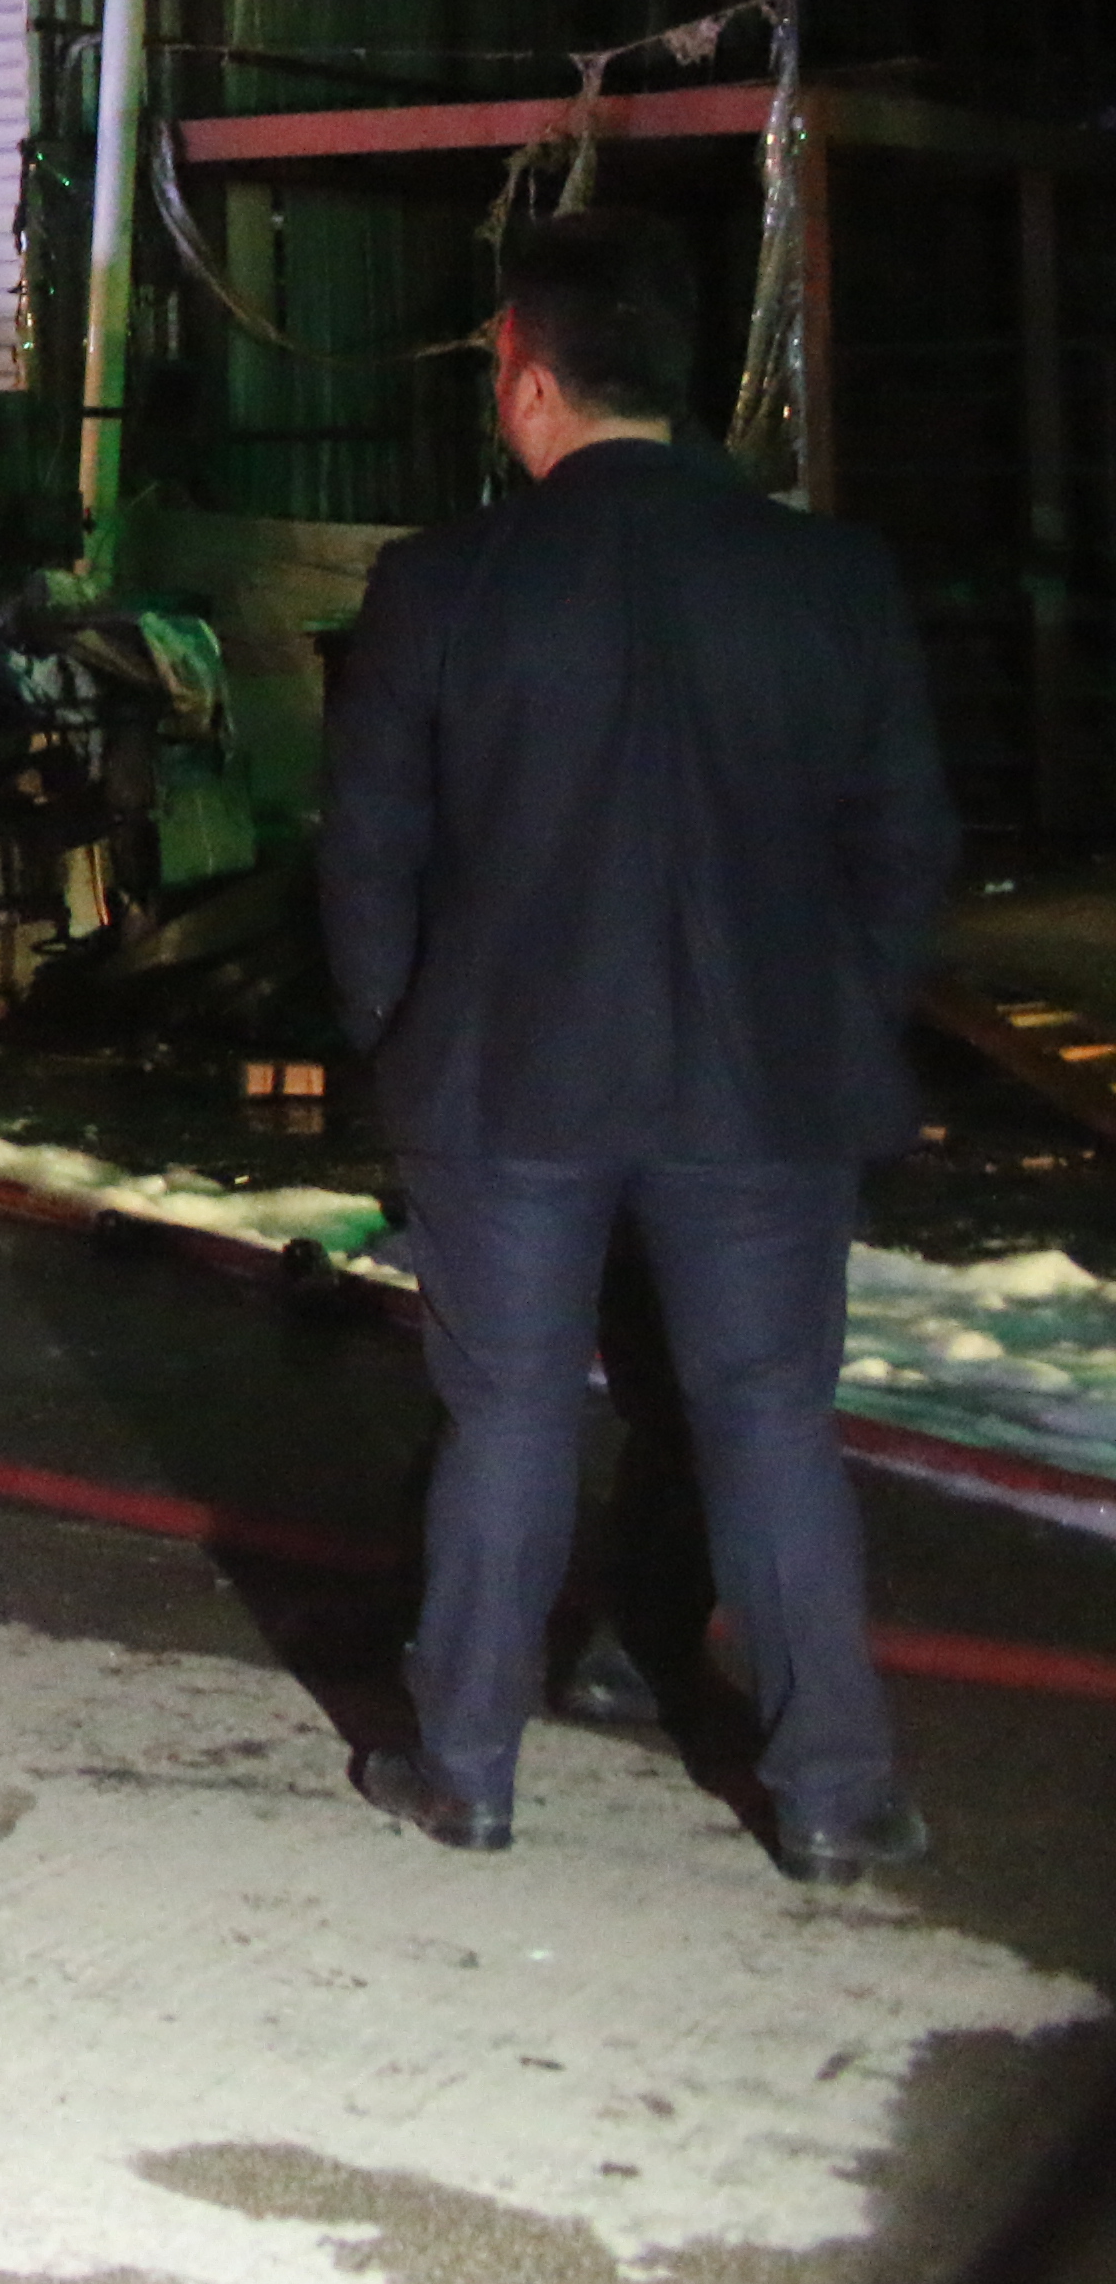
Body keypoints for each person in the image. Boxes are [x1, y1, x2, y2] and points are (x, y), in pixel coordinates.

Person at [320, 211, 957, 1882]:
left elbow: (369, 852)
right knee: (767, 1417)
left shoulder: (441, 581)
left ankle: (462, 1768)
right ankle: (831, 1790)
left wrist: (398, 1035)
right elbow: (901, 848)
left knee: (510, 1411)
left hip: (502, 1074)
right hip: (763, 1081)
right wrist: (829, 1016)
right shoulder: (827, 573)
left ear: (525, 379)